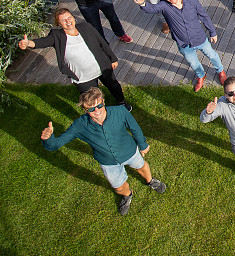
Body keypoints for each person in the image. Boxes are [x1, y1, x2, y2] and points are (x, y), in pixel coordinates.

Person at [41, 87, 166, 215]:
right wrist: (48, 139)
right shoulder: (80, 125)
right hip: (108, 162)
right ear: (85, 110)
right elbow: (54, 145)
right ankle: (127, 194)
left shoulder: (120, 111)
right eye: (91, 108)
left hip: (130, 151)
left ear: (103, 102)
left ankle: (150, 181)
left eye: (99, 105)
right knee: (118, 187)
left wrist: (143, 144)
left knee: (142, 167)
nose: (97, 111)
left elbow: (134, 128)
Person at [18, 8, 131, 110]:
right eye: (63, 20)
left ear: (74, 18)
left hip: (102, 66)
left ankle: (122, 103)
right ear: (59, 23)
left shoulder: (86, 27)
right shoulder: (56, 36)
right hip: (82, 75)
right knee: (91, 98)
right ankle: (99, 112)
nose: (68, 22)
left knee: (113, 85)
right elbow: (42, 42)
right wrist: (29, 43)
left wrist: (113, 58)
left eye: (69, 18)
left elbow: (102, 43)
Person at [135, 0, 227, 92]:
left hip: (199, 38)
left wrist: (212, 32)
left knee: (212, 55)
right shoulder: (164, 5)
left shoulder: (192, 1)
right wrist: (142, 4)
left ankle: (220, 71)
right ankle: (201, 76)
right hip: (183, 44)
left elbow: (204, 16)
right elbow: (152, 9)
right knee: (193, 62)